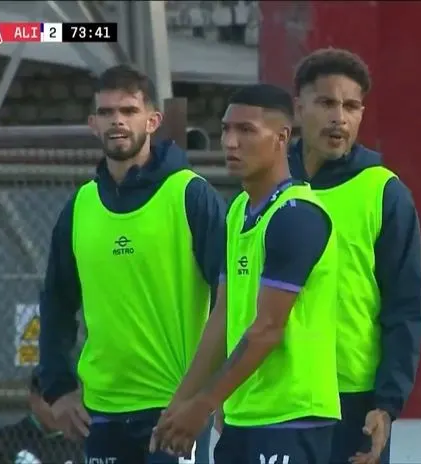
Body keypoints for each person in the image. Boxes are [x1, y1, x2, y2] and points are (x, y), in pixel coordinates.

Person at [37, 64, 224, 463]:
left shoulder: (191, 195)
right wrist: (57, 387)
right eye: (106, 113)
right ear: (92, 123)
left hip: (173, 407)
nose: (117, 121)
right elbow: (55, 301)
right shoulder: (80, 206)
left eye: (128, 111)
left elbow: (234, 300)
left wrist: (210, 395)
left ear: (153, 120)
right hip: (101, 412)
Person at [150, 84, 341, 464]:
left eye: (247, 131)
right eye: (225, 130)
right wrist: (177, 406)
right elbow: (221, 318)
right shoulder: (238, 210)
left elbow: (268, 328)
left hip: (293, 417)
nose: (231, 142)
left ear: (283, 137)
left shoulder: (296, 215)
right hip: (242, 416)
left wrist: (203, 404)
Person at [289, 48, 421, 464]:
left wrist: (387, 404)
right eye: (327, 103)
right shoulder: (265, 188)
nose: (339, 118)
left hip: (354, 401)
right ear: (298, 107)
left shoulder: (383, 193)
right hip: (277, 398)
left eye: (351, 106)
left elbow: (404, 307)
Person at [0, 370, 84, 464]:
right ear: (33, 398)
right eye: (50, 401)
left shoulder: (83, 445)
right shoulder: (1, 444)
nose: (58, 411)